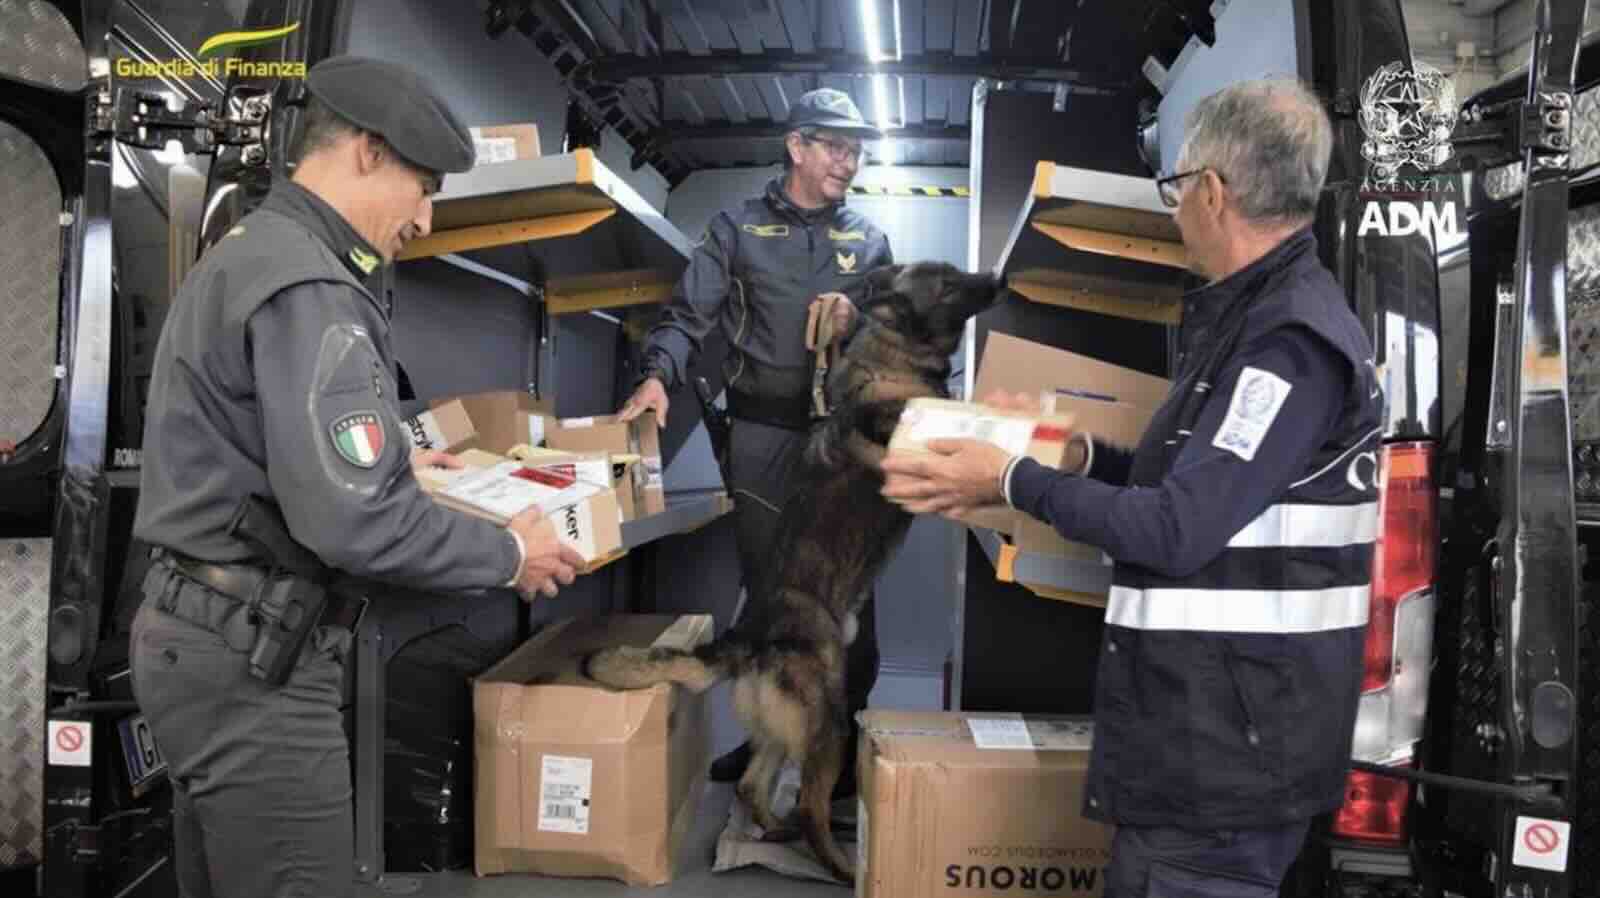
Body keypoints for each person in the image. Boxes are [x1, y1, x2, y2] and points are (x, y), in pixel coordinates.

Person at [881, 78, 1382, 896]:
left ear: (1212, 193)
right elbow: (1192, 485)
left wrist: (1009, 477)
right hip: (1204, 741)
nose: (1174, 209)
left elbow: (1175, 529)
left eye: (1176, 188)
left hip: (1223, 766)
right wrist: (1080, 459)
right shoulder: (1249, 322)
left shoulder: (1288, 344)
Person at [129, 55, 585, 898]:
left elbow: (261, 439)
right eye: (424, 186)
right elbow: (353, 521)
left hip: (203, 639)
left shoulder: (256, 249)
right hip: (251, 665)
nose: (425, 215)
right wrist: (508, 556)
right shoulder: (312, 283)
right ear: (369, 153)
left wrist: (396, 457)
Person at [617, 87, 893, 794]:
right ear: (796, 147)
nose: (848, 160)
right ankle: (764, 739)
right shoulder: (734, 229)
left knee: (849, 600)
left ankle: (841, 754)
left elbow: (892, 334)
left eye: (856, 148)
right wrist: (658, 380)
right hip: (760, 438)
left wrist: (854, 321)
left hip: (840, 445)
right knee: (769, 595)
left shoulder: (868, 239)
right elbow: (686, 319)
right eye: (834, 145)